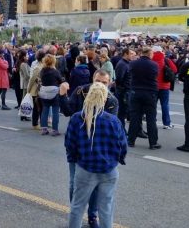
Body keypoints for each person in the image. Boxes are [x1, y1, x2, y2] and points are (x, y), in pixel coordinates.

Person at [65, 82, 127, 228]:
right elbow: (122, 145)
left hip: (85, 168)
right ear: (104, 99)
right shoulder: (113, 121)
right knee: (106, 208)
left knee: (77, 207)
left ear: (88, 97)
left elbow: (70, 145)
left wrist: (75, 160)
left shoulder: (76, 118)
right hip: (108, 170)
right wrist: (118, 160)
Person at [128, 47, 161, 150]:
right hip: (149, 92)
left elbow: (130, 74)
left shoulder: (133, 63)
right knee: (151, 118)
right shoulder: (154, 64)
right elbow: (155, 75)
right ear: (149, 53)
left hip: (135, 91)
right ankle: (153, 143)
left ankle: (131, 141)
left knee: (135, 117)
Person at [152, 45, 177, 129]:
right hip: (164, 86)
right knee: (165, 105)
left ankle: (152, 121)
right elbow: (175, 70)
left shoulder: (150, 60)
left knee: (152, 105)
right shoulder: (166, 60)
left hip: (153, 86)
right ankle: (166, 123)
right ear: (161, 51)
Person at [39, 54, 64, 136]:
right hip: (54, 92)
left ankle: (44, 129)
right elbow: (60, 80)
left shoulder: (42, 71)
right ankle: (54, 130)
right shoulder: (55, 71)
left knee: (45, 110)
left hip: (44, 92)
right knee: (55, 111)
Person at [113, 48, 135, 130]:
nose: (133, 56)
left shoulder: (127, 63)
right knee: (121, 113)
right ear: (125, 54)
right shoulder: (122, 64)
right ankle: (121, 131)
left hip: (126, 91)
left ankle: (122, 131)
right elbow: (119, 79)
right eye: (131, 54)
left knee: (124, 113)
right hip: (123, 92)